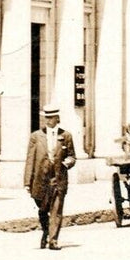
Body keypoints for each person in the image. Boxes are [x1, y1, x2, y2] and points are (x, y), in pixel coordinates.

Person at [24, 104, 76, 249]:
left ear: (57, 118)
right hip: (40, 179)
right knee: (42, 209)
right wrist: (27, 182)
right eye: (46, 117)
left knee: (56, 210)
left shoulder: (66, 136)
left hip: (58, 178)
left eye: (51, 117)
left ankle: (53, 241)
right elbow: (30, 160)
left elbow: (72, 156)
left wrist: (67, 162)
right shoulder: (36, 136)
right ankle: (46, 232)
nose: (48, 120)